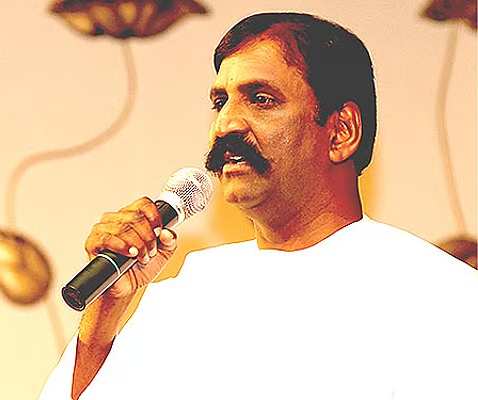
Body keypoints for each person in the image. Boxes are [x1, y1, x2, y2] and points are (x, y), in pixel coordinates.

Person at [39, 12, 478, 400]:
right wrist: (103, 316)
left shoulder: (440, 299)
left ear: (341, 131)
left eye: (261, 99)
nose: (225, 123)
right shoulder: (190, 293)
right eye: (220, 102)